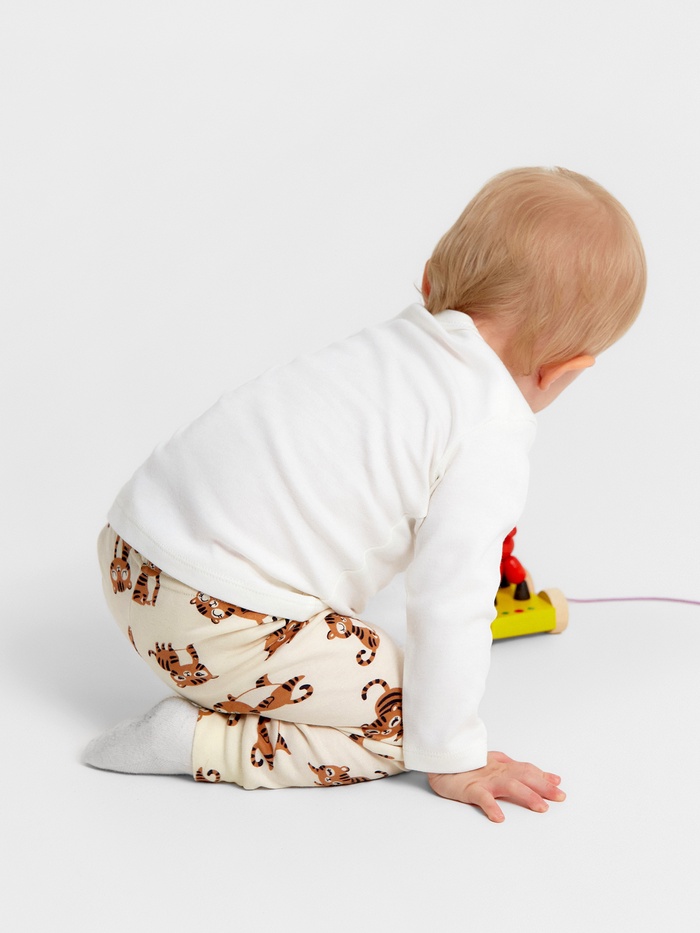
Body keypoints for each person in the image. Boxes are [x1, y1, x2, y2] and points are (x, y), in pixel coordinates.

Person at [85, 166, 646, 821]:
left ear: (431, 279)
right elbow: (450, 604)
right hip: (213, 619)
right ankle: (200, 743)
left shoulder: (386, 347)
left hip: (129, 550)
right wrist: (454, 753)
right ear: (563, 370)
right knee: (409, 718)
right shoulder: (490, 429)